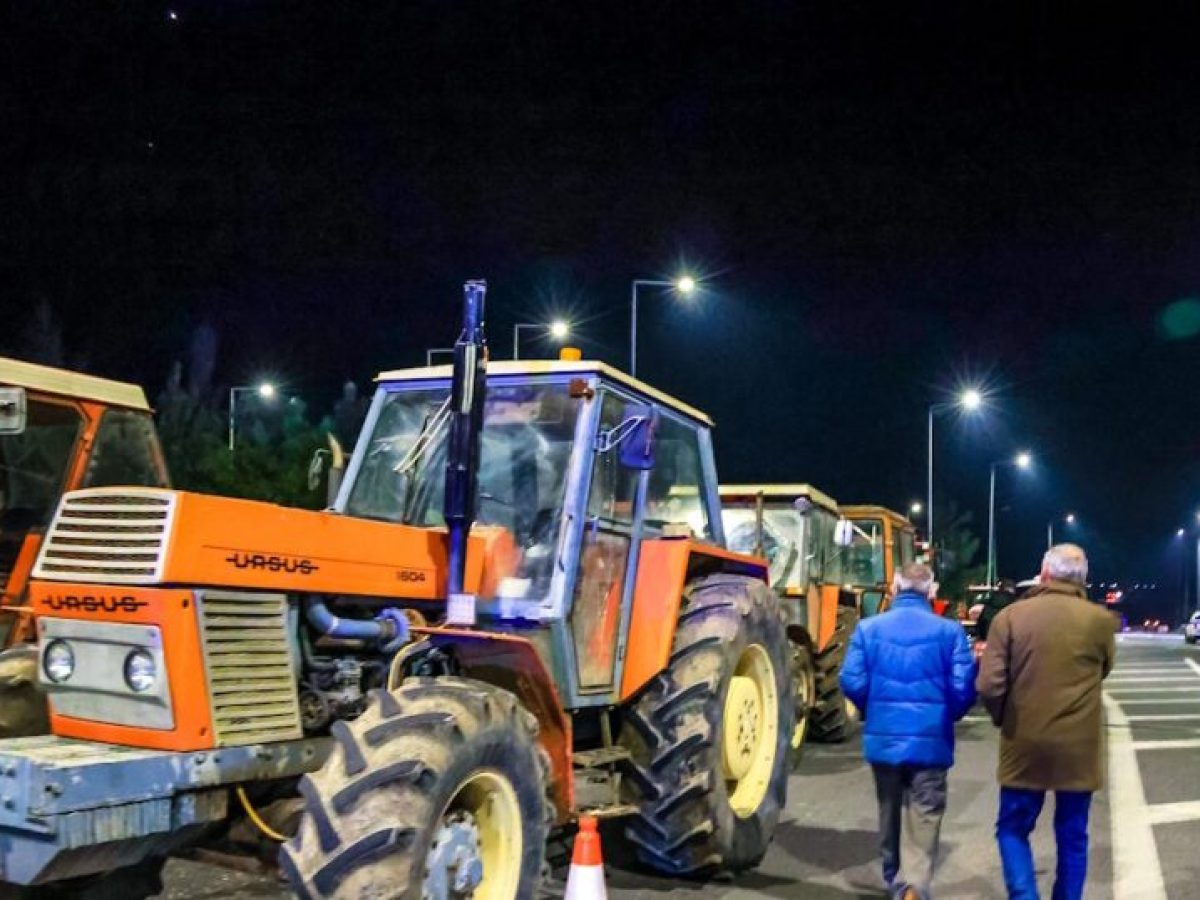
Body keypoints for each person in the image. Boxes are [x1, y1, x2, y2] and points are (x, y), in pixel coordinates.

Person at [976, 544, 1115, 900]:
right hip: (1079, 748)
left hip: (1025, 741)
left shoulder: (1010, 617)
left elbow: (990, 684)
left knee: (1012, 828)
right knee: (1073, 835)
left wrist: (1003, 719)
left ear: (1044, 571)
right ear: (1083, 578)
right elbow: (1104, 670)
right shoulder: (1100, 621)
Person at [840, 562, 977, 900]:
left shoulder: (868, 629)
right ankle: (913, 884)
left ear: (894, 589)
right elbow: (963, 688)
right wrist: (949, 715)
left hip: (884, 738)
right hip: (931, 740)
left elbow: (851, 680)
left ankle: (893, 878)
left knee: (889, 809)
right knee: (925, 811)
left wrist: (875, 710)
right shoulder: (950, 633)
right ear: (931, 591)